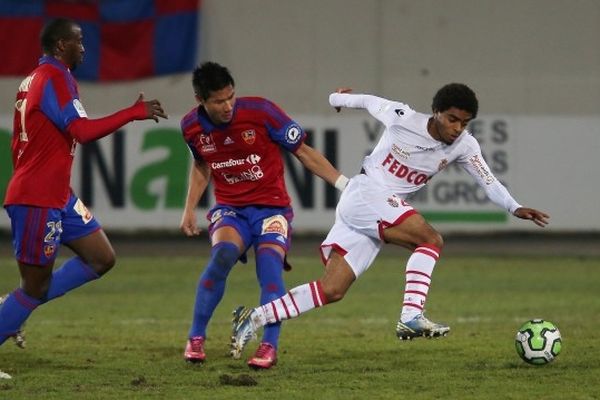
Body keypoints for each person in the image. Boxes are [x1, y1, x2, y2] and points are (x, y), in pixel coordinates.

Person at [230, 83, 550, 358]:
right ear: (436, 112)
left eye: (464, 123)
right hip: (367, 192)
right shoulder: (402, 116)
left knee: (333, 289)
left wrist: (513, 206)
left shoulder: (465, 146)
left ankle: (253, 317)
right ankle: (411, 315)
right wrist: (336, 100)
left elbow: (487, 180)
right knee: (430, 240)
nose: (457, 128)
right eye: (452, 119)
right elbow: (367, 101)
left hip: (372, 208)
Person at [0, 18, 167, 353]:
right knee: (34, 288)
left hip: (57, 195)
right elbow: (83, 131)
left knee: (101, 258)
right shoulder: (55, 77)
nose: (84, 48)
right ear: (61, 45)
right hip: (37, 198)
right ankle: (14, 307)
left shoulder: (33, 79)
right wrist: (133, 112)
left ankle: (12, 306)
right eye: (78, 41)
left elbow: (24, 141)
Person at [179, 62, 348, 369]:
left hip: (272, 209)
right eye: (219, 101)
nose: (228, 105)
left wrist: (343, 184)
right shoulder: (190, 127)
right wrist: (190, 208)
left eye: (231, 96)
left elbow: (304, 152)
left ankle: (269, 345)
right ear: (200, 100)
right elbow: (202, 165)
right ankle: (196, 337)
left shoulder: (262, 112)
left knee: (270, 267)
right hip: (230, 209)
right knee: (223, 255)